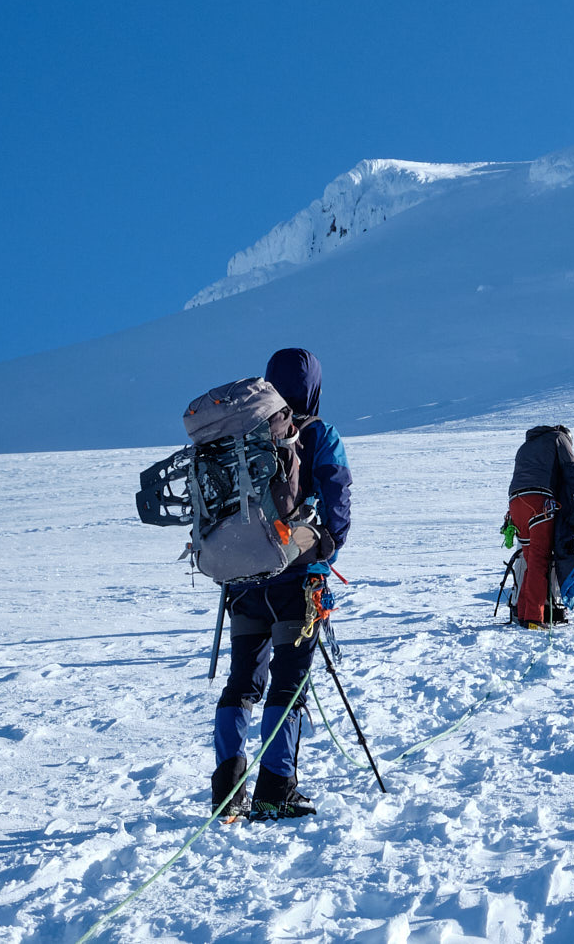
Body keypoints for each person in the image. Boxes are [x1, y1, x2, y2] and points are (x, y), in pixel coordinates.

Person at [211, 347, 352, 822]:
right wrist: (328, 544)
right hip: (297, 582)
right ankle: (275, 790)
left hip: (244, 583)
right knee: (288, 683)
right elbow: (337, 497)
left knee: (241, 684)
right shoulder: (319, 433)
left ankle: (228, 795)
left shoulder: (239, 434)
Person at [507, 425, 574, 629]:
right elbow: (572, 473)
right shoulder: (560, 438)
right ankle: (534, 617)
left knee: (530, 559)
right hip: (538, 503)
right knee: (539, 561)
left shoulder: (526, 445)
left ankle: (523, 612)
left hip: (516, 505)